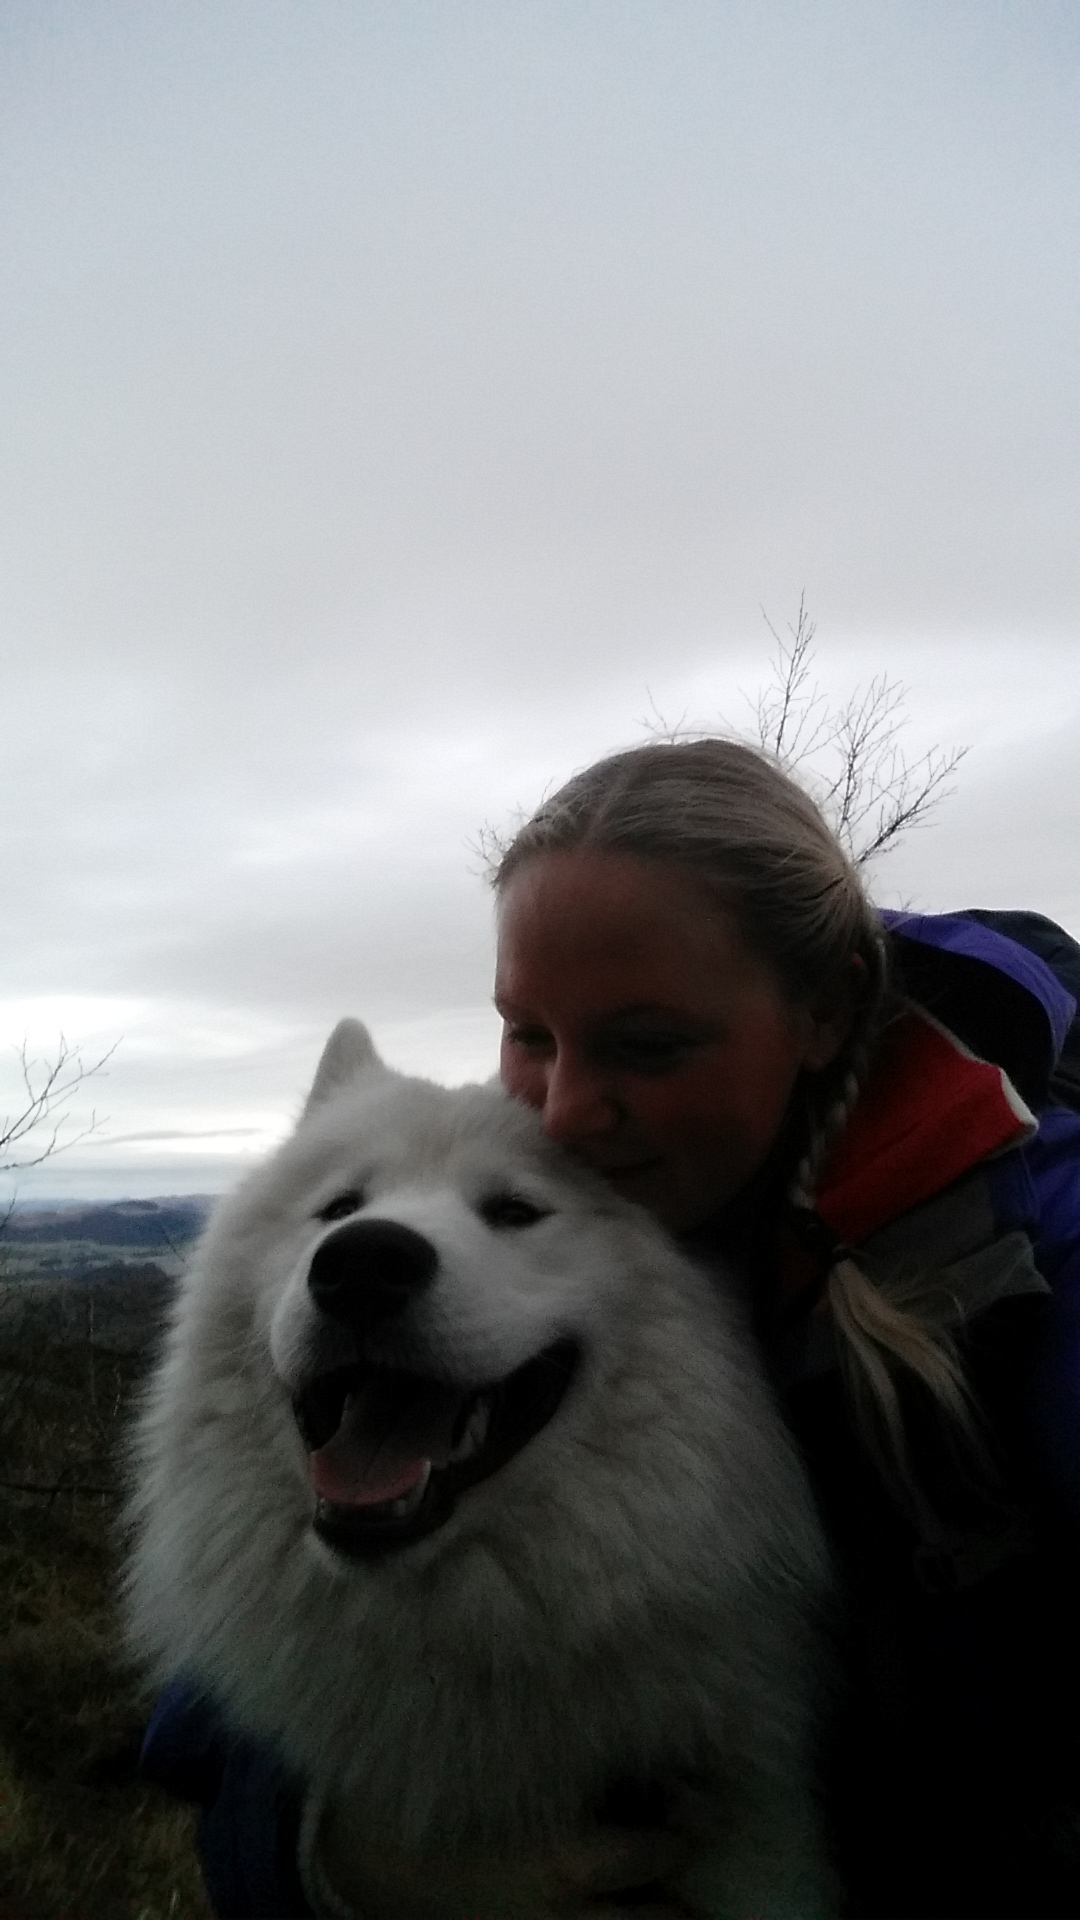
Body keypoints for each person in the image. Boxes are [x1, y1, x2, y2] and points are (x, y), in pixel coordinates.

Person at [141, 738, 1080, 1919]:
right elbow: (221, 1702)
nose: (568, 1110)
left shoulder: (1031, 1251)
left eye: (648, 1045)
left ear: (826, 1011)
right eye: (529, 1033)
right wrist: (330, 1858)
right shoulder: (667, 1195)